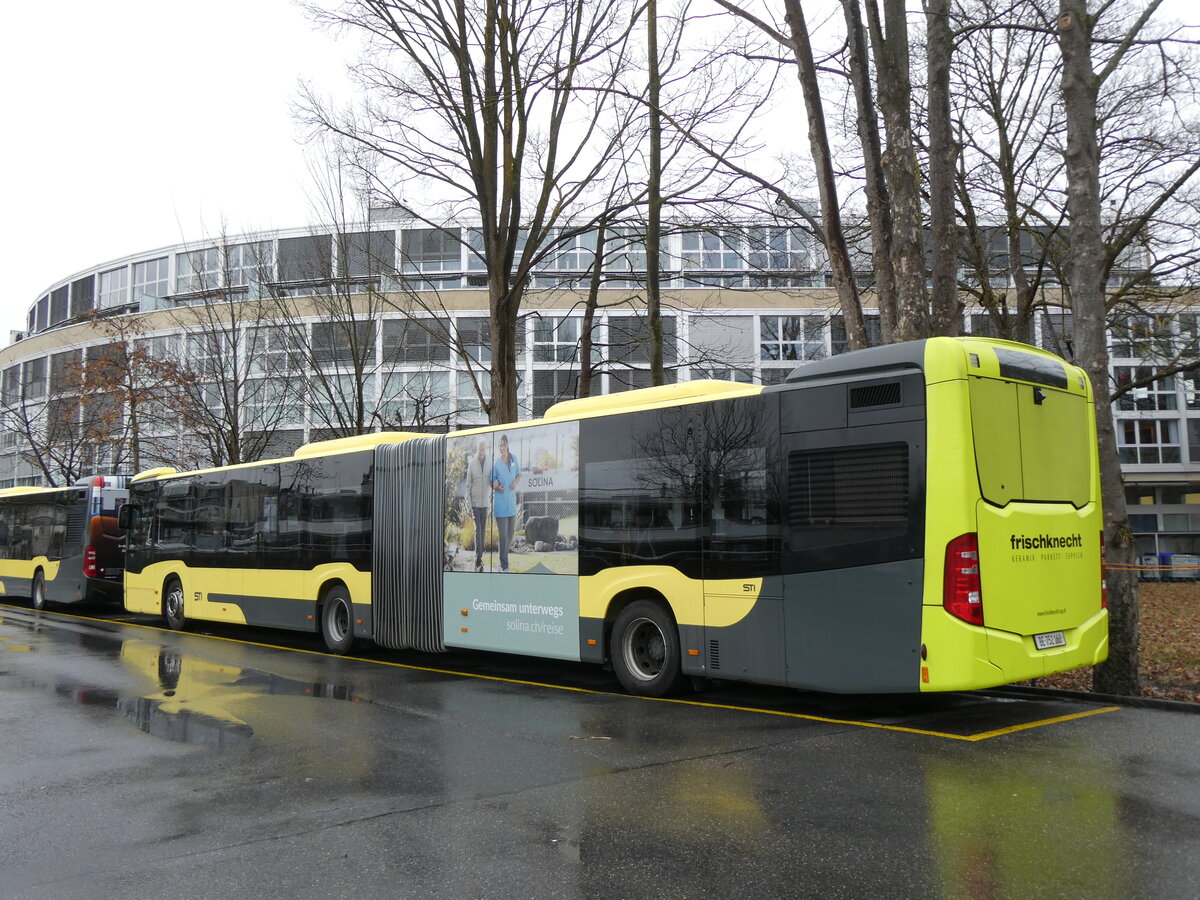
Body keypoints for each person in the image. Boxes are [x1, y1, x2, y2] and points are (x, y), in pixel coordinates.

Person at [490, 433, 520, 573]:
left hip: (511, 504)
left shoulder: (514, 459)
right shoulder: (496, 463)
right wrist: (495, 486)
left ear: (507, 445)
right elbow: (492, 481)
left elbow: (519, 474)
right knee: (503, 535)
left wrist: (515, 482)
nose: (502, 447)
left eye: (503, 445)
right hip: (501, 505)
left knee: (510, 534)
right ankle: (505, 565)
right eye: (500, 445)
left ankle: (501, 556)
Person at [464, 439, 490, 572]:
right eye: (480, 449)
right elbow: (468, 486)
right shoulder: (472, 464)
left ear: (485, 450)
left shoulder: (489, 463)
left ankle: (480, 556)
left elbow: (491, 484)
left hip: (485, 504)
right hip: (474, 504)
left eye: (483, 449)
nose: (481, 452)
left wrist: (490, 505)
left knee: (483, 531)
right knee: (478, 530)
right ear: (477, 450)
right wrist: (468, 506)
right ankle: (478, 558)